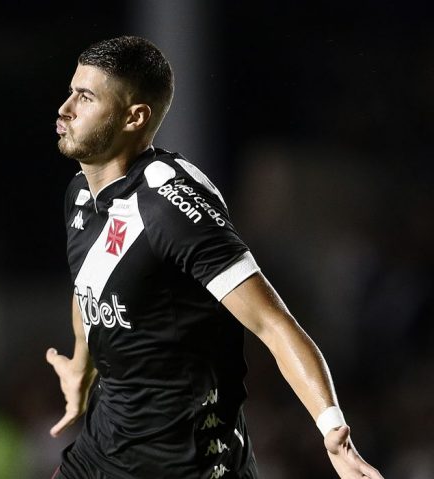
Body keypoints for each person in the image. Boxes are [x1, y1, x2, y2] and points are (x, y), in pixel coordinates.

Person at [46, 36, 383, 479]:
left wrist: (333, 430)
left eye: (86, 97)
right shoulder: (79, 196)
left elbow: (273, 323)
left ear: (134, 117)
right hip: (105, 447)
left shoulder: (171, 205)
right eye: (72, 91)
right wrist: (81, 363)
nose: (65, 108)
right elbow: (88, 282)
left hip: (190, 461)